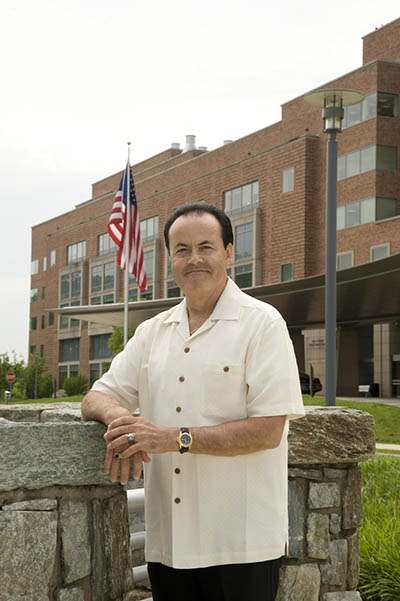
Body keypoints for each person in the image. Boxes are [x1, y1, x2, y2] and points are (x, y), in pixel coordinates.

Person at [82, 203, 305, 601]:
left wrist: (172, 438)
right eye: (182, 249)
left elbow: (269, 431)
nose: (194, 258)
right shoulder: (153, 332)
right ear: (170, 259)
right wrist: (122, 421)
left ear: (229, 252)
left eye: (206, 246)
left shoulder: (264, 324)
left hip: (242, 543)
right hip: (170, 542)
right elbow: (97, 396)